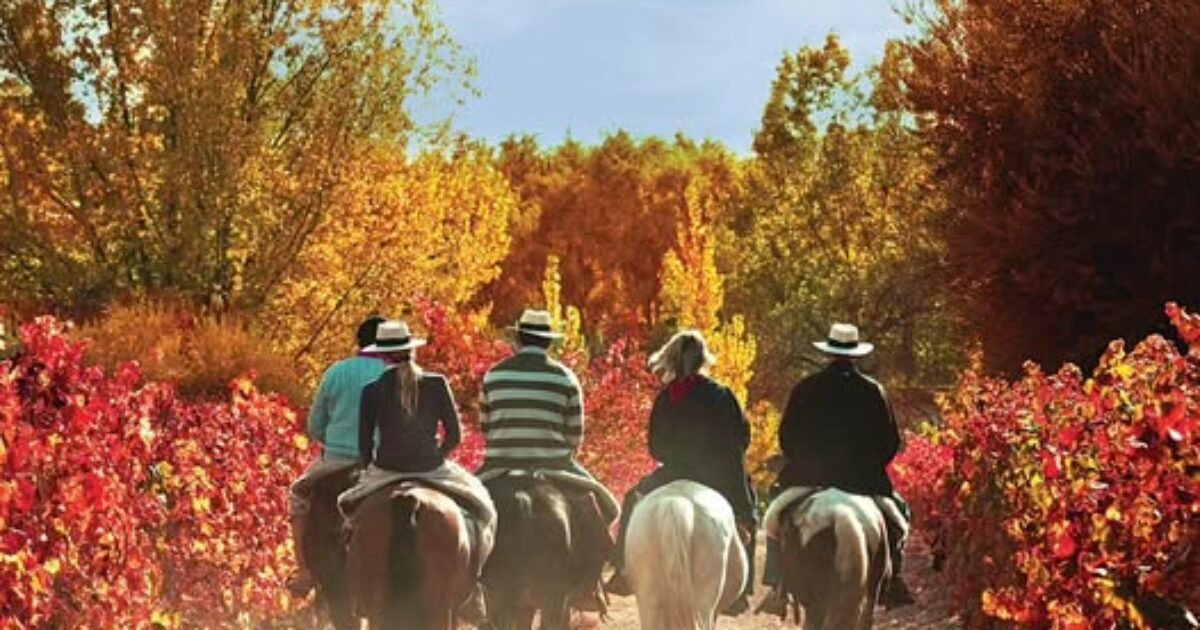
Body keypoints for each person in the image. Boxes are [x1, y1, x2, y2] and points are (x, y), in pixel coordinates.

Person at [335, 320, 497, 620]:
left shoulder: (372, 390)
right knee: (485, 510)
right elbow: (455, 436)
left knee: (346, 514)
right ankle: (473, 590)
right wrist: (435, 457)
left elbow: (364, 444)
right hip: (433, 468)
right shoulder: (436, 383)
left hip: (385, 469)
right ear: (411, 350)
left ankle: (360, 595)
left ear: (382, 355)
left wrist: (370, 469)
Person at [758, 322, 915, 614]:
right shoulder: (874, 391)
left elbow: (787, 438)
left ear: (828, 354)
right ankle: (894, 582)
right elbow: (890, 441)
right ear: (856, 355)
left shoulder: (805, 388)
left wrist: (807, 462)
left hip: (809, 478)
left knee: (774, 519)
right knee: (899, 519)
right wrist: (867, 468)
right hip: (864, 483)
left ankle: (777, 583)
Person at [475, 308, 619, 611]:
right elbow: (574, 435)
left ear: (519, 339)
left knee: (465, 512)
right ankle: (587, 585)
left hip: (499, 463)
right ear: (548, 342)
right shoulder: (565, 377)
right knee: (607, 508)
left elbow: (485, 426)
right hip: (555, 465)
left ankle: (471, 590)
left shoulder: (495, 374)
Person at [604, 331, 758, 613]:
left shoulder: (666, 397)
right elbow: (739, 440)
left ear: (672, 359)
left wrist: (676, 456)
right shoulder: (723, 395)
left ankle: (622, 570)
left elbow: (655, 447)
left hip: (673, 473)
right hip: (718, 476)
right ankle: (742, 592)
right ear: (703, 360)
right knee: (747, 511)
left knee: (631, 498)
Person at [287, 314, 389, 595]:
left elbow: (315, 425)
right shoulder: (395, 375)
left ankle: (304, 572)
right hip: (383, 465)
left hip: (336, 461)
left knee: (299, 497)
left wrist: (336, 441)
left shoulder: (335, 373)